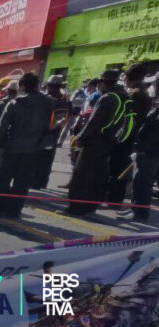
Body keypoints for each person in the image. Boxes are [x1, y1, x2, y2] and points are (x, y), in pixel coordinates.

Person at [65, 70, 127, 216]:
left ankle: (75, 208)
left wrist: (80, 137)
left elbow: (94, 123)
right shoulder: (123, 96)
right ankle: (90, 207)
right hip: (109, 141)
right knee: (98, 176)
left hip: (94, 142)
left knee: (81, 176)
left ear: (103, 83)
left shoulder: (107, 98)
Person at [0, 73, 53, 218]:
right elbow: (49, 126)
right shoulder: (47, 103)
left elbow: (1, 127)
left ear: (22, 86)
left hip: (13, 146)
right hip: (33, 148)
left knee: (4, 178)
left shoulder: (14, 103)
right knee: (23, 180)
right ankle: (14, 210)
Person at [106, 64, 152, 205]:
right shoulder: (144, 92)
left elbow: (130, 120)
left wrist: (119, 139)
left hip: (127, 139)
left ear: (128, 77)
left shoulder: (135, 94)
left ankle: (113, 199)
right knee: (121, 170)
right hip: (135, 138)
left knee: (116, 169)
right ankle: (115, 198)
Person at [32, 75, 72, 190]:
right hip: (54, 134)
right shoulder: (65, 101)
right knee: (47, 161)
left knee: (37, 159)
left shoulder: (45, 99)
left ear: (49, 86)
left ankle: (35, 182)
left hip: (41, 134)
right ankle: (41, 182)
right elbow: (67, 118)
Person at [132, 102, 159, 221]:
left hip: (150, 152)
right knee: (138, 182)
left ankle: (141, 213)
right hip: (146, 150)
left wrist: (145, 148)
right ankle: (135, 209)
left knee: (143, 183)